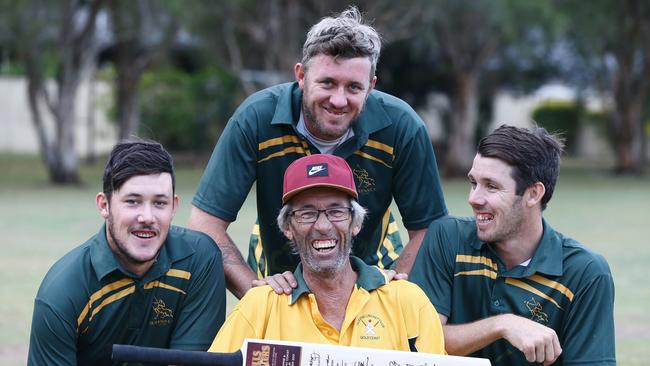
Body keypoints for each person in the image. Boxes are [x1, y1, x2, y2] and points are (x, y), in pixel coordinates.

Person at [189, 6, 447, 299]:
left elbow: (429, 231)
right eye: (327, 83)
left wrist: (391, 295)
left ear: (371, 86)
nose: (339, 100)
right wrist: (256, 296)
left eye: (353, 87)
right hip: (278, 268)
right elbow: (205, 224)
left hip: (371, 261)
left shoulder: (402, 127)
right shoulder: (256, 119)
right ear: (301, 75)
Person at [410, 125, 616, 365]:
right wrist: (502, 325)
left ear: (533, 194)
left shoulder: (585, 273)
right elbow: (420, 341)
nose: (473, 198)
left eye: (491, 186)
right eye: (473, 183)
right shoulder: (447, 237)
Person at [208, 154, 445, 353]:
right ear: (288, 228)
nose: (322, 226)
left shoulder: (407, 301)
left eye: (336, 211)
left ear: (356, 223)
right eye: (307, 213)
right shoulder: (260, 306)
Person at [28, 140, 226, 366]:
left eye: (160, 203)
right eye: (133, 202)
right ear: (104, 205)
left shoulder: (199, 260)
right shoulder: (63, 292)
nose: (147, 217)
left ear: (174, 207)